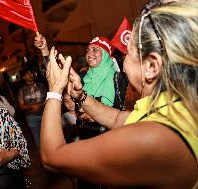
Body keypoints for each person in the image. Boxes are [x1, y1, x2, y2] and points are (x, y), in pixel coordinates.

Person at [41, 2, 198, 188]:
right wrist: (81, 96)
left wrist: (55, 90)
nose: (122, 60)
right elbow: (116, 117)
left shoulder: (152, 138)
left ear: (151, 66)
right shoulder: (172, 105)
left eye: (128, 51)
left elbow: (52, 156)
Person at [18, 68, 47, 148]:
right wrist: (32, 106)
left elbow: (48, 100)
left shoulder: (41, 85)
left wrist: (39, 106)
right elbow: (21, 106)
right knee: (38, 139)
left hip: (44, 115)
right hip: (31, 117)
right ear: (24, 77)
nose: (30, 75)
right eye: (27, 74)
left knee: (49, 136)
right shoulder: (22, 90)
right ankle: (43, 159)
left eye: (31, 73)